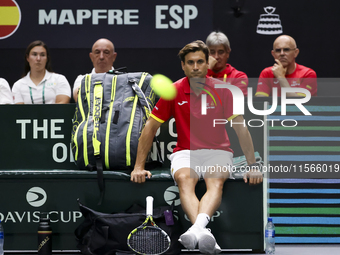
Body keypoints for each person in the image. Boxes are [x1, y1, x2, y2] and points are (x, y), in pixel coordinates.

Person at [130, 40, 262, 254]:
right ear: (183, 66)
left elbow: (241, 128)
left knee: (215, 181)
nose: (195, 66)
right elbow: (149, 128)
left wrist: (252, 164)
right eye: (190, 62)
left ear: (207, 63)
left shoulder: (224, 91)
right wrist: (138, 166)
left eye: (200, 61)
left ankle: (197, 230)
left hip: (219, 152)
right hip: (185, 152)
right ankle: (205, 235)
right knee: (184, 180)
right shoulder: (173, 91)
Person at [12, 40, 71, 104]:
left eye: (42, 55)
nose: (38, 59)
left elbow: (62, 105)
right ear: (27, 58)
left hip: (54, 114)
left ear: (47, 59)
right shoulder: (18, 85)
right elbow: (19, 111)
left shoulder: (59, 79)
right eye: (34, 54)